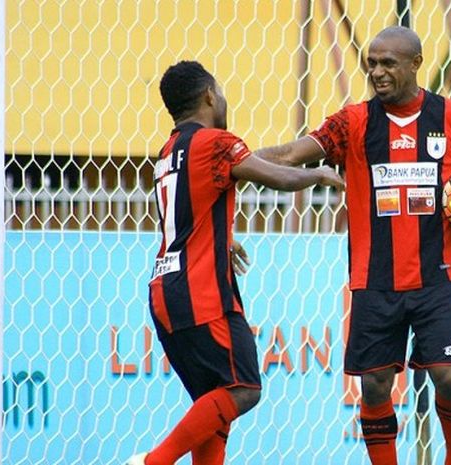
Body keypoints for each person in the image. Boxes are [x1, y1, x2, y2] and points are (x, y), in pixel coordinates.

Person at [255, 26, 451, 465]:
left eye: (387, 63)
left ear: (415, 64)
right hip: (375, 282)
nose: (376, 71)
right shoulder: (352, 123)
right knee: (375, 384)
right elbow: (291, 155)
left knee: (448, 377)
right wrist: (235, 159)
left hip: (440, 278)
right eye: (371, 63)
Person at [126, 60, 344, 465]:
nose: (224, 98)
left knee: (215, 406)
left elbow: (188, 215)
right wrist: (319, 175)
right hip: (202, 292)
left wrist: (223, 239)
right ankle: (155, 461)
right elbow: (274, 176)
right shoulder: (216, 142)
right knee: (244, 387)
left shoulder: (168, 151)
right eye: (221, 91)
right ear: (210, 95)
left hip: (165, 291)